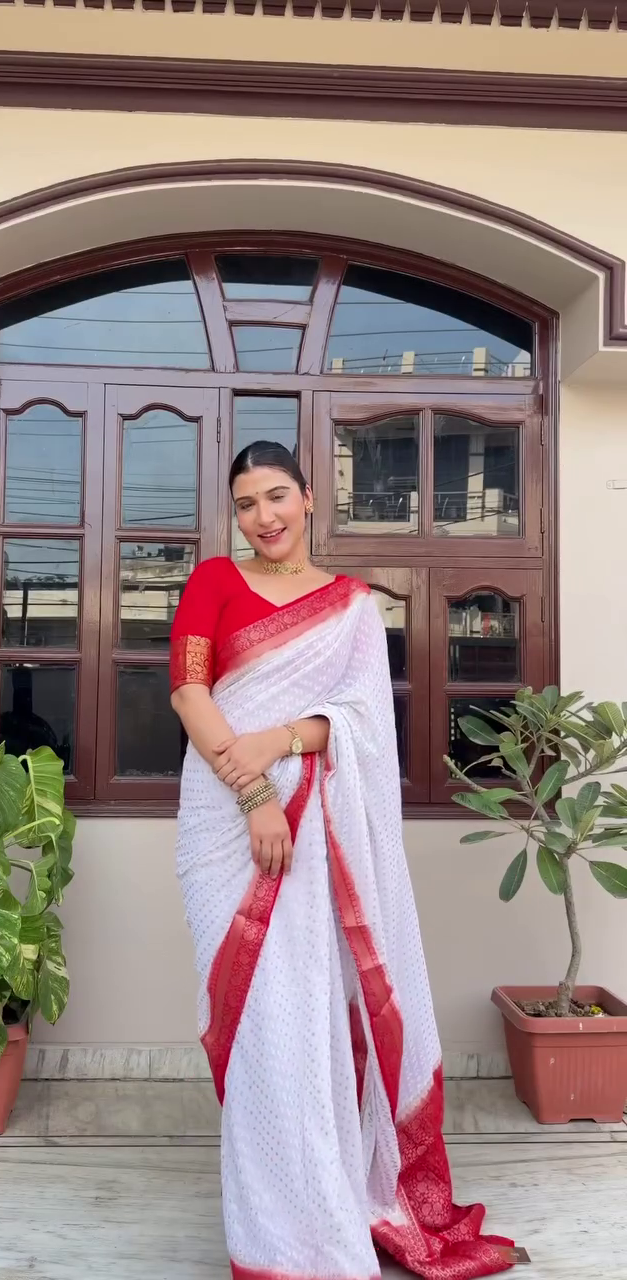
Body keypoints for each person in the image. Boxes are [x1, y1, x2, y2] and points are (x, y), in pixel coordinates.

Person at [169, 441, 521, 1280]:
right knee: (262, 1030)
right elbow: (190, 692)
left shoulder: (352, 606)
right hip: (225, 824)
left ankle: (329, 1201)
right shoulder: (213, 581)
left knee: (319, 1019)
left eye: (279, 496)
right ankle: (277, 1229)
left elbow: (360, 720)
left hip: (321, 835)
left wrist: (286, 740)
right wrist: (254, 794)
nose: (266, 517)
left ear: (311, 498)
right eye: (249, 503)